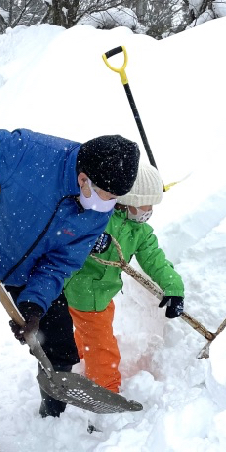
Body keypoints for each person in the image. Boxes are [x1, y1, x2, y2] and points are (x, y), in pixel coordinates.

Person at [0, 128, 140, 452]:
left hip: (31, 273)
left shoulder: (98, 211)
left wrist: (34, 304)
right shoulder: (28, 152)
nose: (110, 205)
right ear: (84, 179)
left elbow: (61, 262)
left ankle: (53, 411)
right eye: (108, 195)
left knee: (59, 346)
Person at [64, 162, 184, 394]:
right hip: (82, 290)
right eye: (146, 205)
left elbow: (156, 260)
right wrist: (90, 240)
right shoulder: (98, 216)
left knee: (92, 330)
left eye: (152, 206)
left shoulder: (140, 232)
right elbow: (69, 232)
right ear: (128, 201)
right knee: (102, 346)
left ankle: (76, 356)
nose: (149, 210)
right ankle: (105, 390)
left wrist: (174, 288)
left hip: (101, 294)